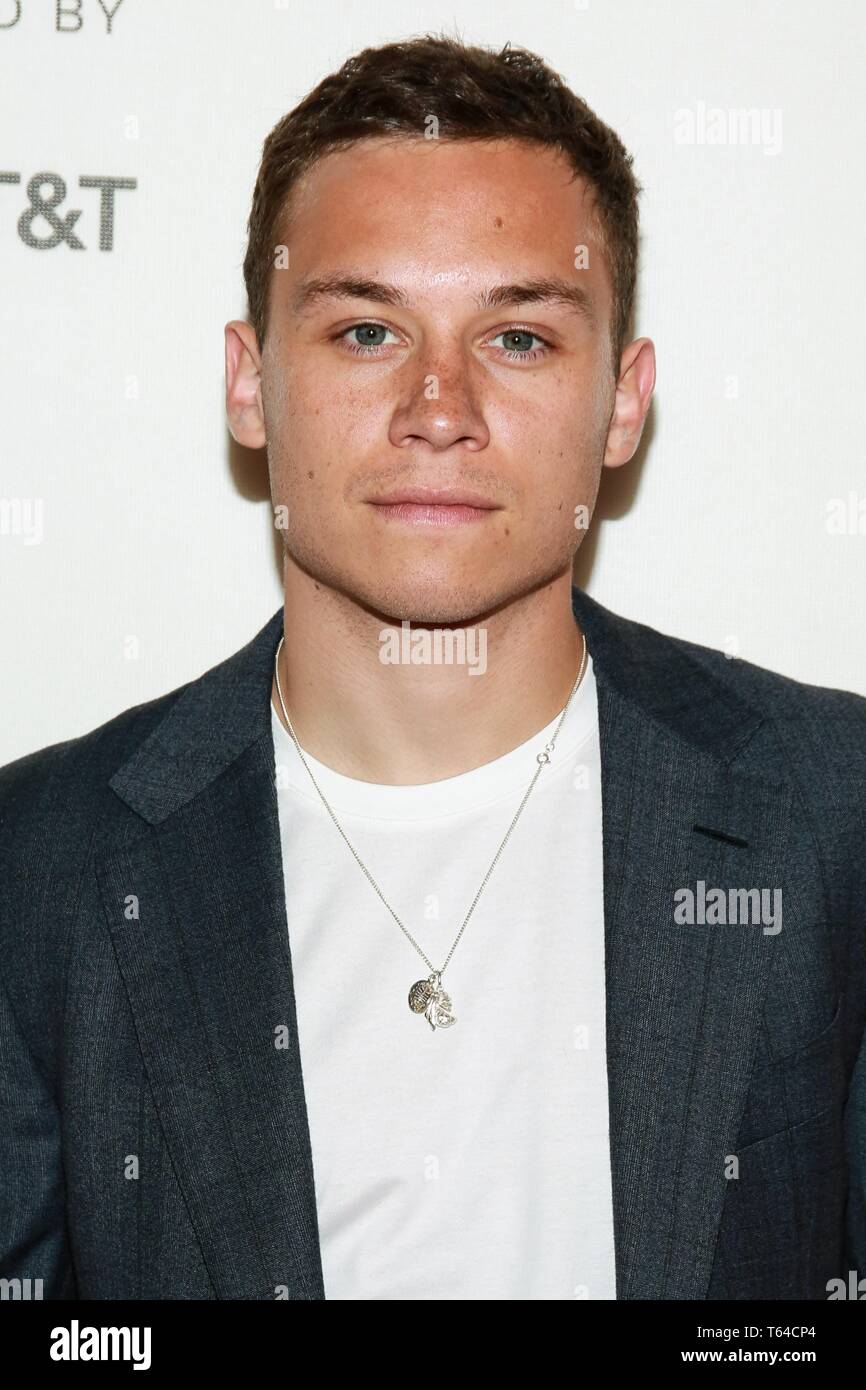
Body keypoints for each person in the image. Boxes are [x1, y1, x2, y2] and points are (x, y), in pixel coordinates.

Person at [1, 33, 864, 1302]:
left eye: (516, 338)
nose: (438, 408)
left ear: (622, 403)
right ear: (250, 384)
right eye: (366, 330)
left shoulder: (832, 812)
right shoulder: (37, 867)